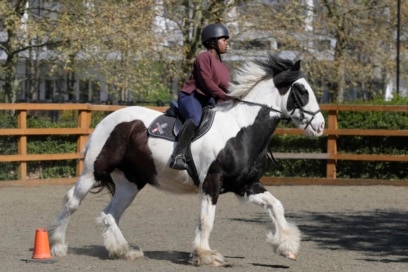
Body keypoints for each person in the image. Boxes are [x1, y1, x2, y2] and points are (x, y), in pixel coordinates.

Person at [169, 23, 231, 170]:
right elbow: (206, 82)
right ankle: (178, 155)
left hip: (208, 100)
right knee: (195, 119)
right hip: (192, 97)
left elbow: (227, 87)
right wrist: (224, 96)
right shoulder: (203, 57)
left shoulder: (223, 66)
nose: (227, 43)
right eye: (223, 39)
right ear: (212, 42)